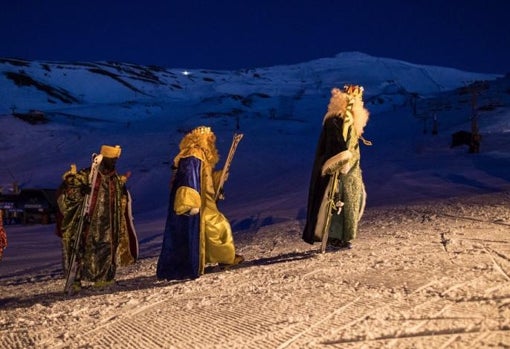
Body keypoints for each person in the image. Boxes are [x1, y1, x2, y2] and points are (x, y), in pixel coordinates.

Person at [157, 126, 244, 280]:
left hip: (206, 202)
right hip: (198, 203)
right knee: (218, 227)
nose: (211, 143)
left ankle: (222, 258)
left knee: (217, 228)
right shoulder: (194, 154)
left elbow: (206, 179)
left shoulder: (202, 156)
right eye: (209, 139)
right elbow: (188, 177)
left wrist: (220, 177)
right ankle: (224, 259)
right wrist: (189, 201)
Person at [56, 145, 139, 290]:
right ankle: (76, 280)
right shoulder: (88, 174)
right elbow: (69, 189)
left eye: (115, 160)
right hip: (87, 222)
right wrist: (80, 191)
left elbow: (119, 194)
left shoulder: (113, 178)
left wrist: (123, 184)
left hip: (108, 224)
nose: (113, 163)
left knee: (106, 250)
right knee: (80, 250)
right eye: (111, 160)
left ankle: (104, 277)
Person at [302, 85, 371, 249]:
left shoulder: (348, 119)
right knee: (337, 202)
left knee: (351, 201)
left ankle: (342, 236)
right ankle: (335, 236)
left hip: (351, 172)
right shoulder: (337, 118)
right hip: (342, 171)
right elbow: (335, 143)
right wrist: (341, 161)